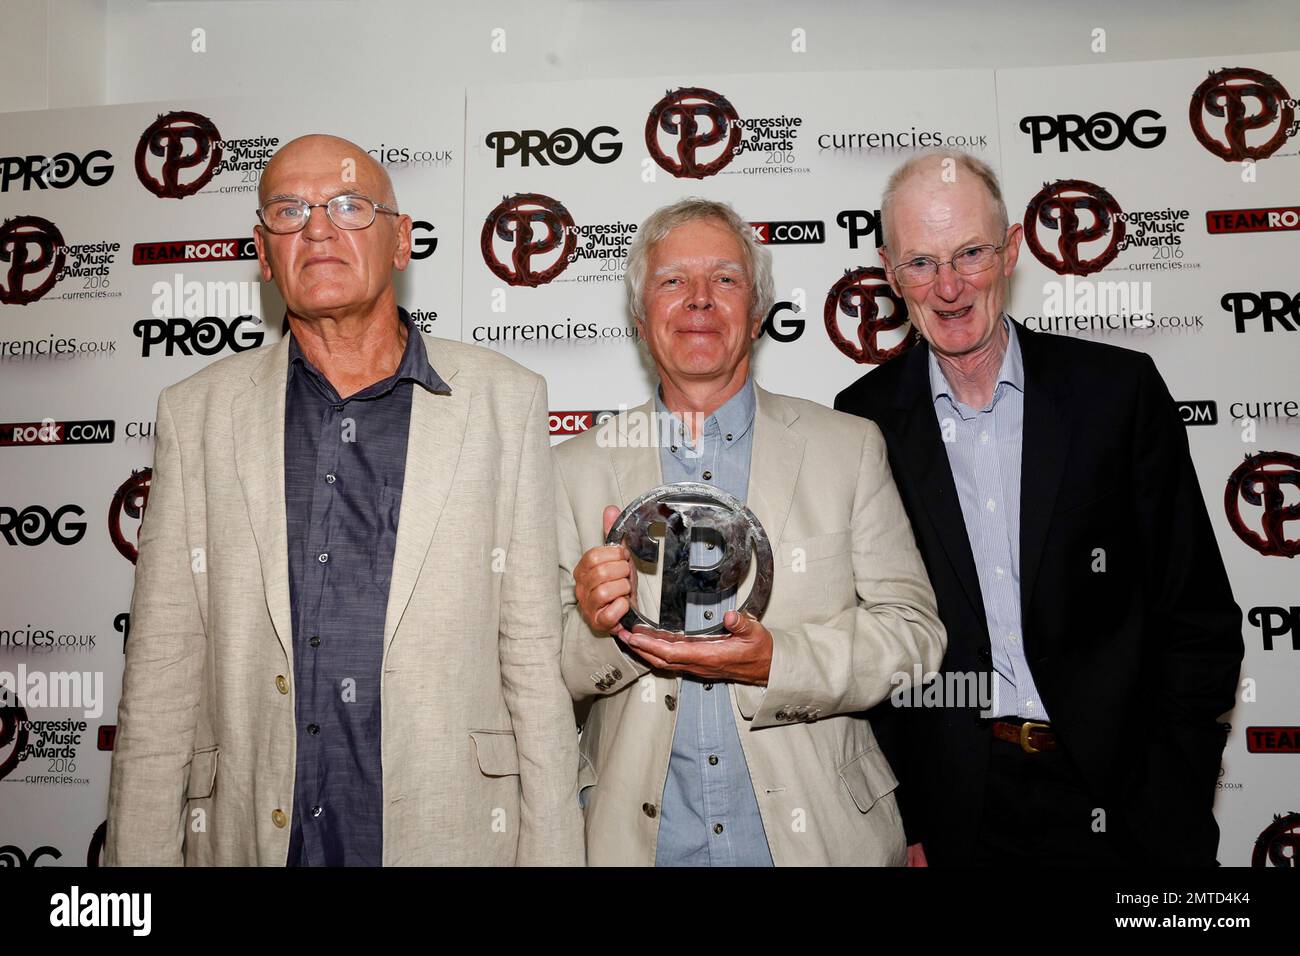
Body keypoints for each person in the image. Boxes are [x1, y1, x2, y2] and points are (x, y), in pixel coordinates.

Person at [106, 134, 582, 866]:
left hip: (449, 834)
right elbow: (164, 667)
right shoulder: (195, 413)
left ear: (401, 242)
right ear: (264, 255)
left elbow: (532, 661)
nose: (319, 228)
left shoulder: (504, 401)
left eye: (350, 206)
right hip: (251, 839)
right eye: (289, 211)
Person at [834, 150, 1243, 866]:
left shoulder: (1117, 393)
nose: (950, 286)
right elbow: (875, 637)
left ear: (1014, 249)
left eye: (971, 253)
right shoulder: (864, 420)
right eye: (921, 263)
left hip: (1127, 801)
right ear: (890, 272)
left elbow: (1197, 614)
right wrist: (914, 819)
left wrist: (1172, 788)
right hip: (965, 813)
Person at [555, 197, 945, 866]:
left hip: (818, 839)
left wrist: (778, 664)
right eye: (673, 281)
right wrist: (603, 626)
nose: (700, 300)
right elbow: (542, 669)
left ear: (758, 315)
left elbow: (913, 636)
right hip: (641, 844)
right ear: (642, 320)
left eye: (725, 279)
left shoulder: (847, 448)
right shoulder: (573, 470)